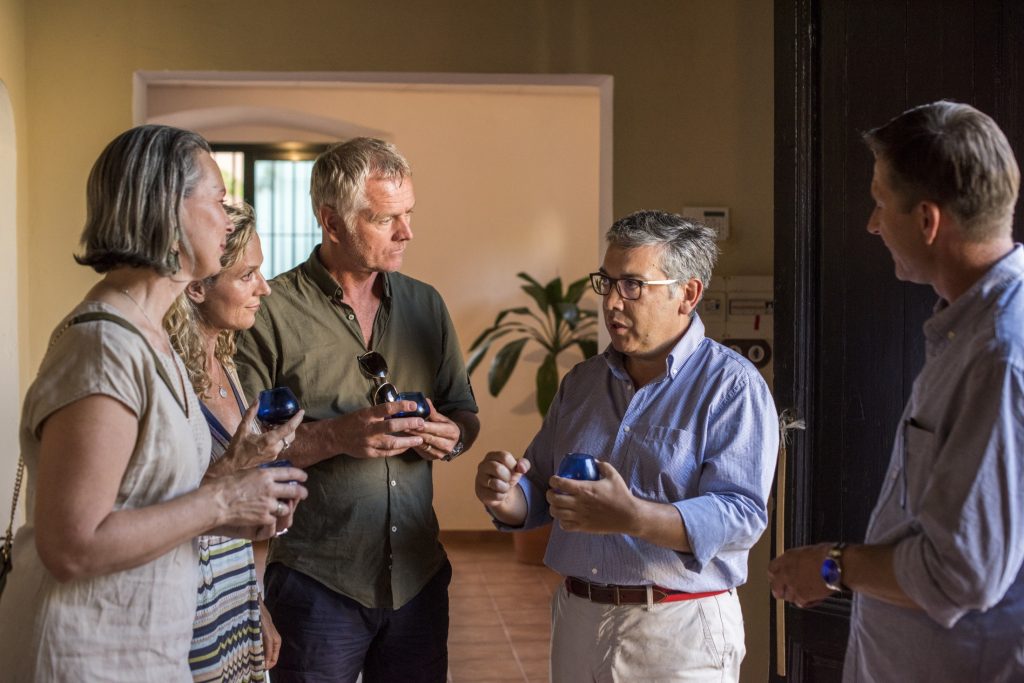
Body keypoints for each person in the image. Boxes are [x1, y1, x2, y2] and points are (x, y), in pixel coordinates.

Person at [0, 125, 308, 682]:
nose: (227, 218)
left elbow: (146, 498)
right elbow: (71, 546)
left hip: (145, 649)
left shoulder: (152, 337)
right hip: (85, 655)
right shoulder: (104, 346)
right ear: (168, 210)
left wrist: (233, 477)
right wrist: (222, 501)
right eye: (216, 199)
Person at [767, 101, 1024, 682]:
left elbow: (962, 575)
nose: (872, 224)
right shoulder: (964, 331)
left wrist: (832, 567)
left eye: (881, 203)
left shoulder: (1000, 356)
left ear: (928, 221)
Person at [476, 210, 779, 683]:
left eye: (633, 285)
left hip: (677, 631)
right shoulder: (582, 382)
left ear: (688, 294)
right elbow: (540, 490)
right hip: (578, 620)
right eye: (608, 282)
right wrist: (504, 495)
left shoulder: (732, 387)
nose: (613, 302)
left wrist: (634, 516)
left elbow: (741, 515)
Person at [234, 136, 480, 682]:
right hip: (316, 583)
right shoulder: (270, 313)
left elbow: (464, 412)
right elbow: (239, 451)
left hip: (418, 581)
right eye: (385, 218)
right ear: (332, 221)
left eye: (408, 213)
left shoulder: (426, 305)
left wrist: (452, 436)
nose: (406, 232)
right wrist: (336, 437)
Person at [165, 202, 298, 681]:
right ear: (197, 287)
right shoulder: (169, 376)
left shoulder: (228, 363)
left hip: (234, 593)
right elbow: (158, 506)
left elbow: (241, 515)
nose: (265, 288)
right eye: (247, 275)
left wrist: (256, 601)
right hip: (188, 603)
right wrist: (236, 465)